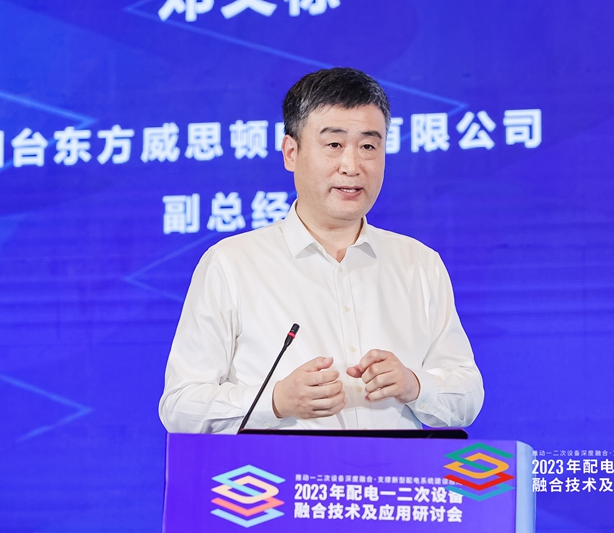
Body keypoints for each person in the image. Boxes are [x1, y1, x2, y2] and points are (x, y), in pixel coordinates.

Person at [159, 67, 483, 433]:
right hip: (274, 471)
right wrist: (275, 401)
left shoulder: (419, 263)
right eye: (334, 145)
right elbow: (180, 406)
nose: (352, 166)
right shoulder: (232, 264)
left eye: (368, 146)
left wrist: (416, 385)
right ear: (291, 152)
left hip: (393, 470)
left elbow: (467, 396)